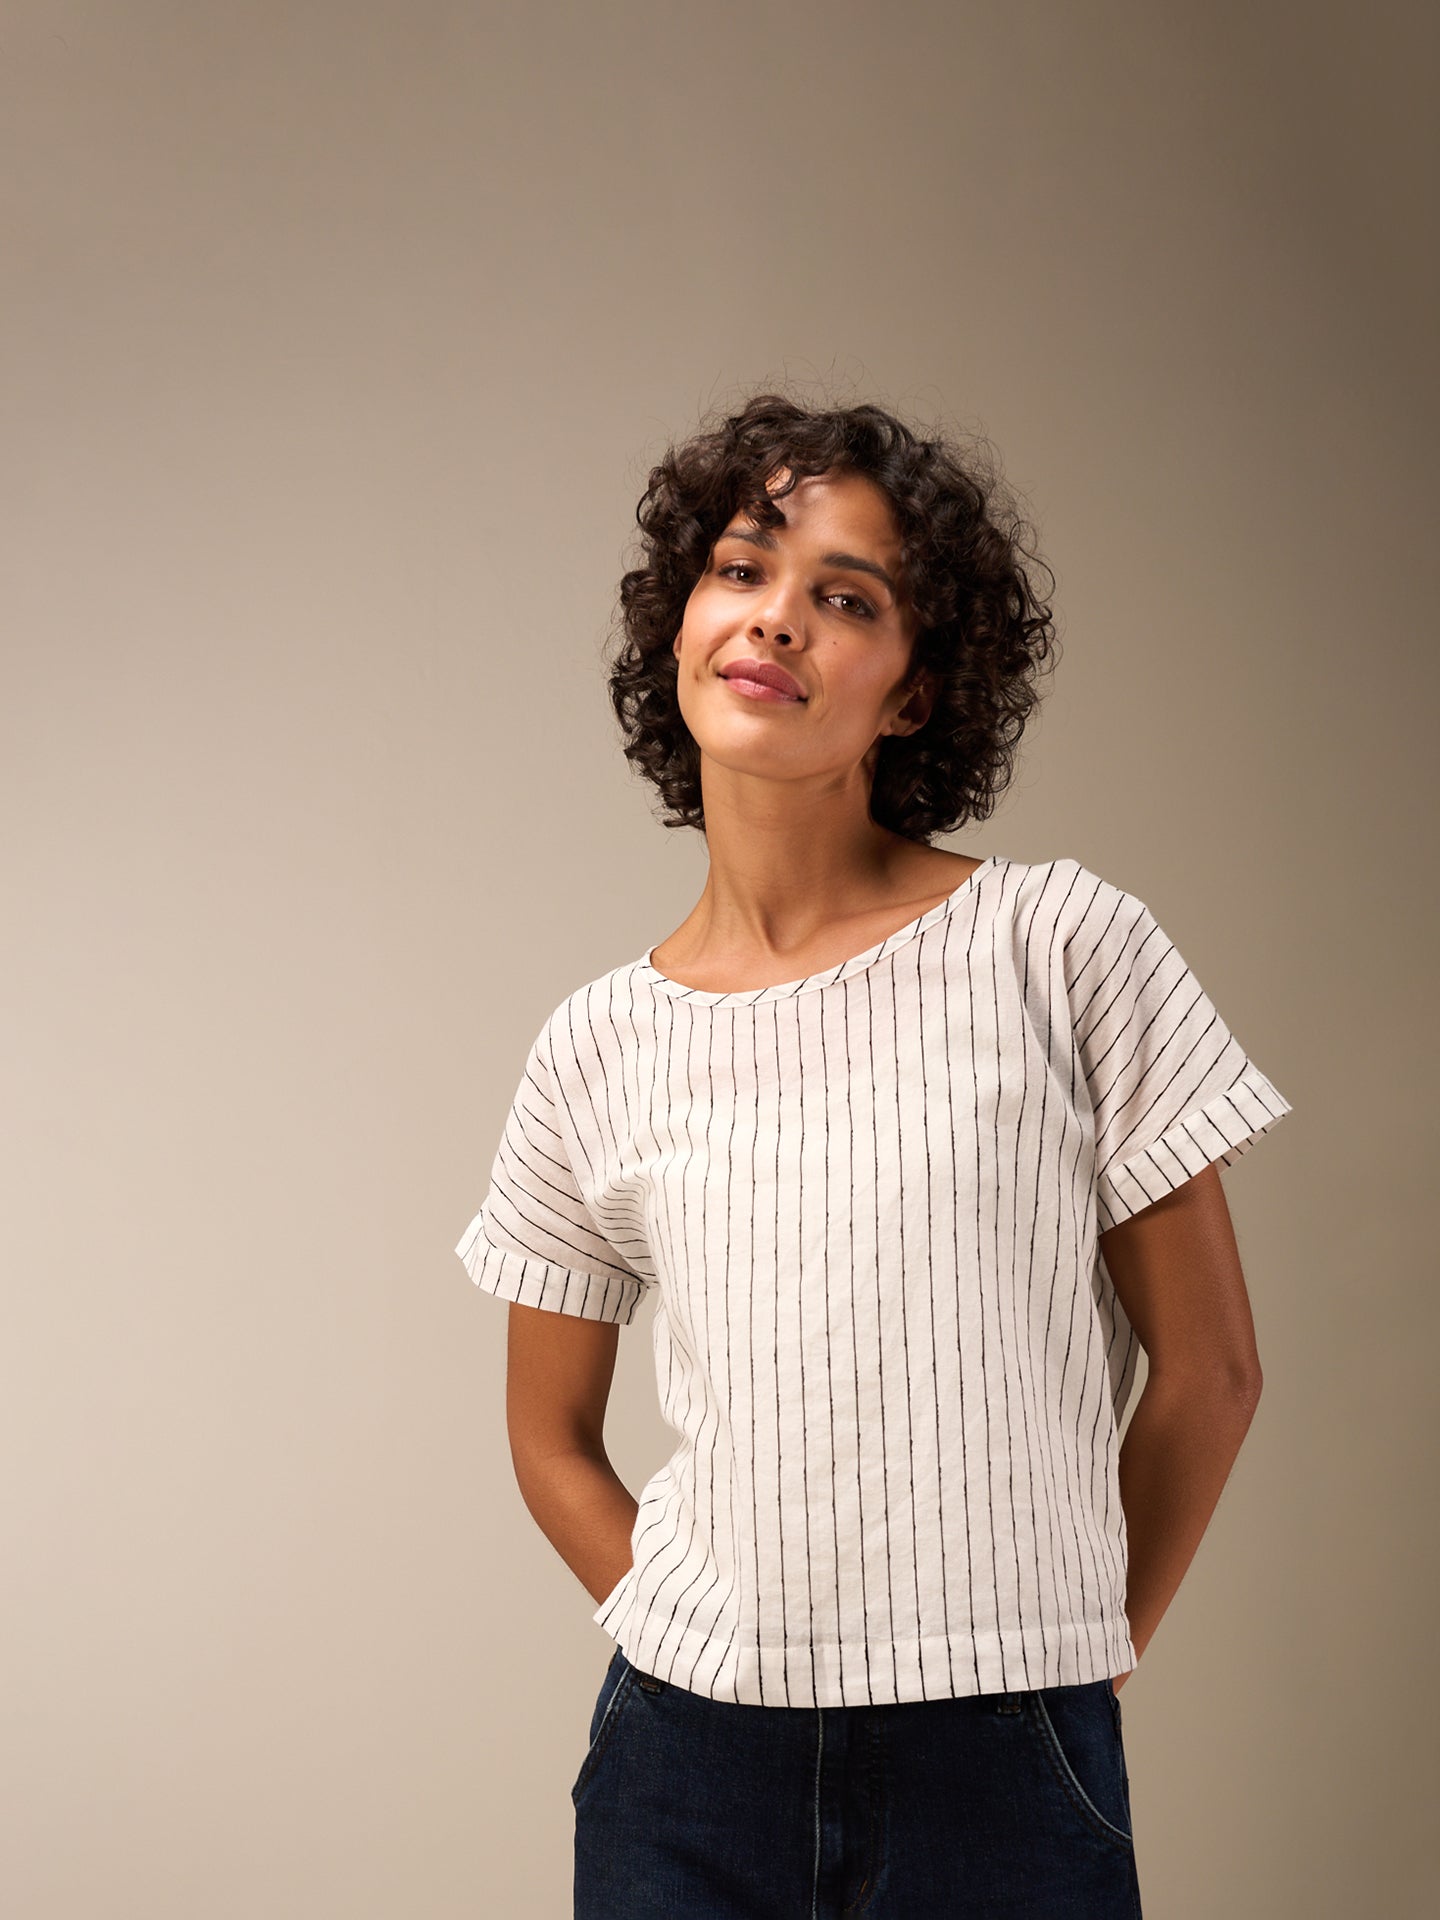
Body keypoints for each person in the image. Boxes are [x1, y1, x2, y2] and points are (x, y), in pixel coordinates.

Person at [453, 392, 1292, 1917]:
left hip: (1004, 1759)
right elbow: (547, 1435)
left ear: (915, 693)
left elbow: (1214, 1371)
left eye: (846, 599)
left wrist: (1072, 1655)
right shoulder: (595, 1046)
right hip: (684, 1774)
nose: (777, 618)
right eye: (742, 569)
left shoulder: (1060, 947)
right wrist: (683, 1619)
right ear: (680, 623)